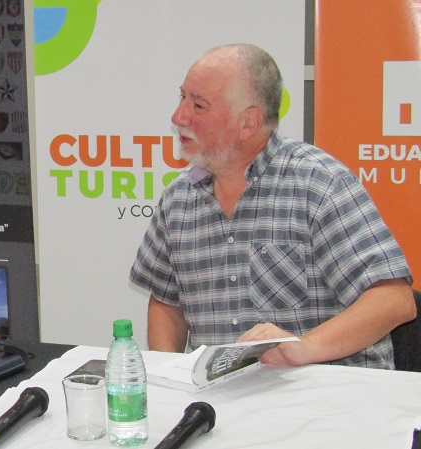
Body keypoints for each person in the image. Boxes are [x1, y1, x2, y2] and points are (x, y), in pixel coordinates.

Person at [129, 43, 416, 369]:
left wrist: (305, 347)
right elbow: (166, 301)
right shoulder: (178, 198)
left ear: (248, 123)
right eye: (182, 97)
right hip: (224, 395)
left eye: (198, 105)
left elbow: (394, 300)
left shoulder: (319, 183)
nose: (178, 116)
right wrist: (170, 375)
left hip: (327, 392)